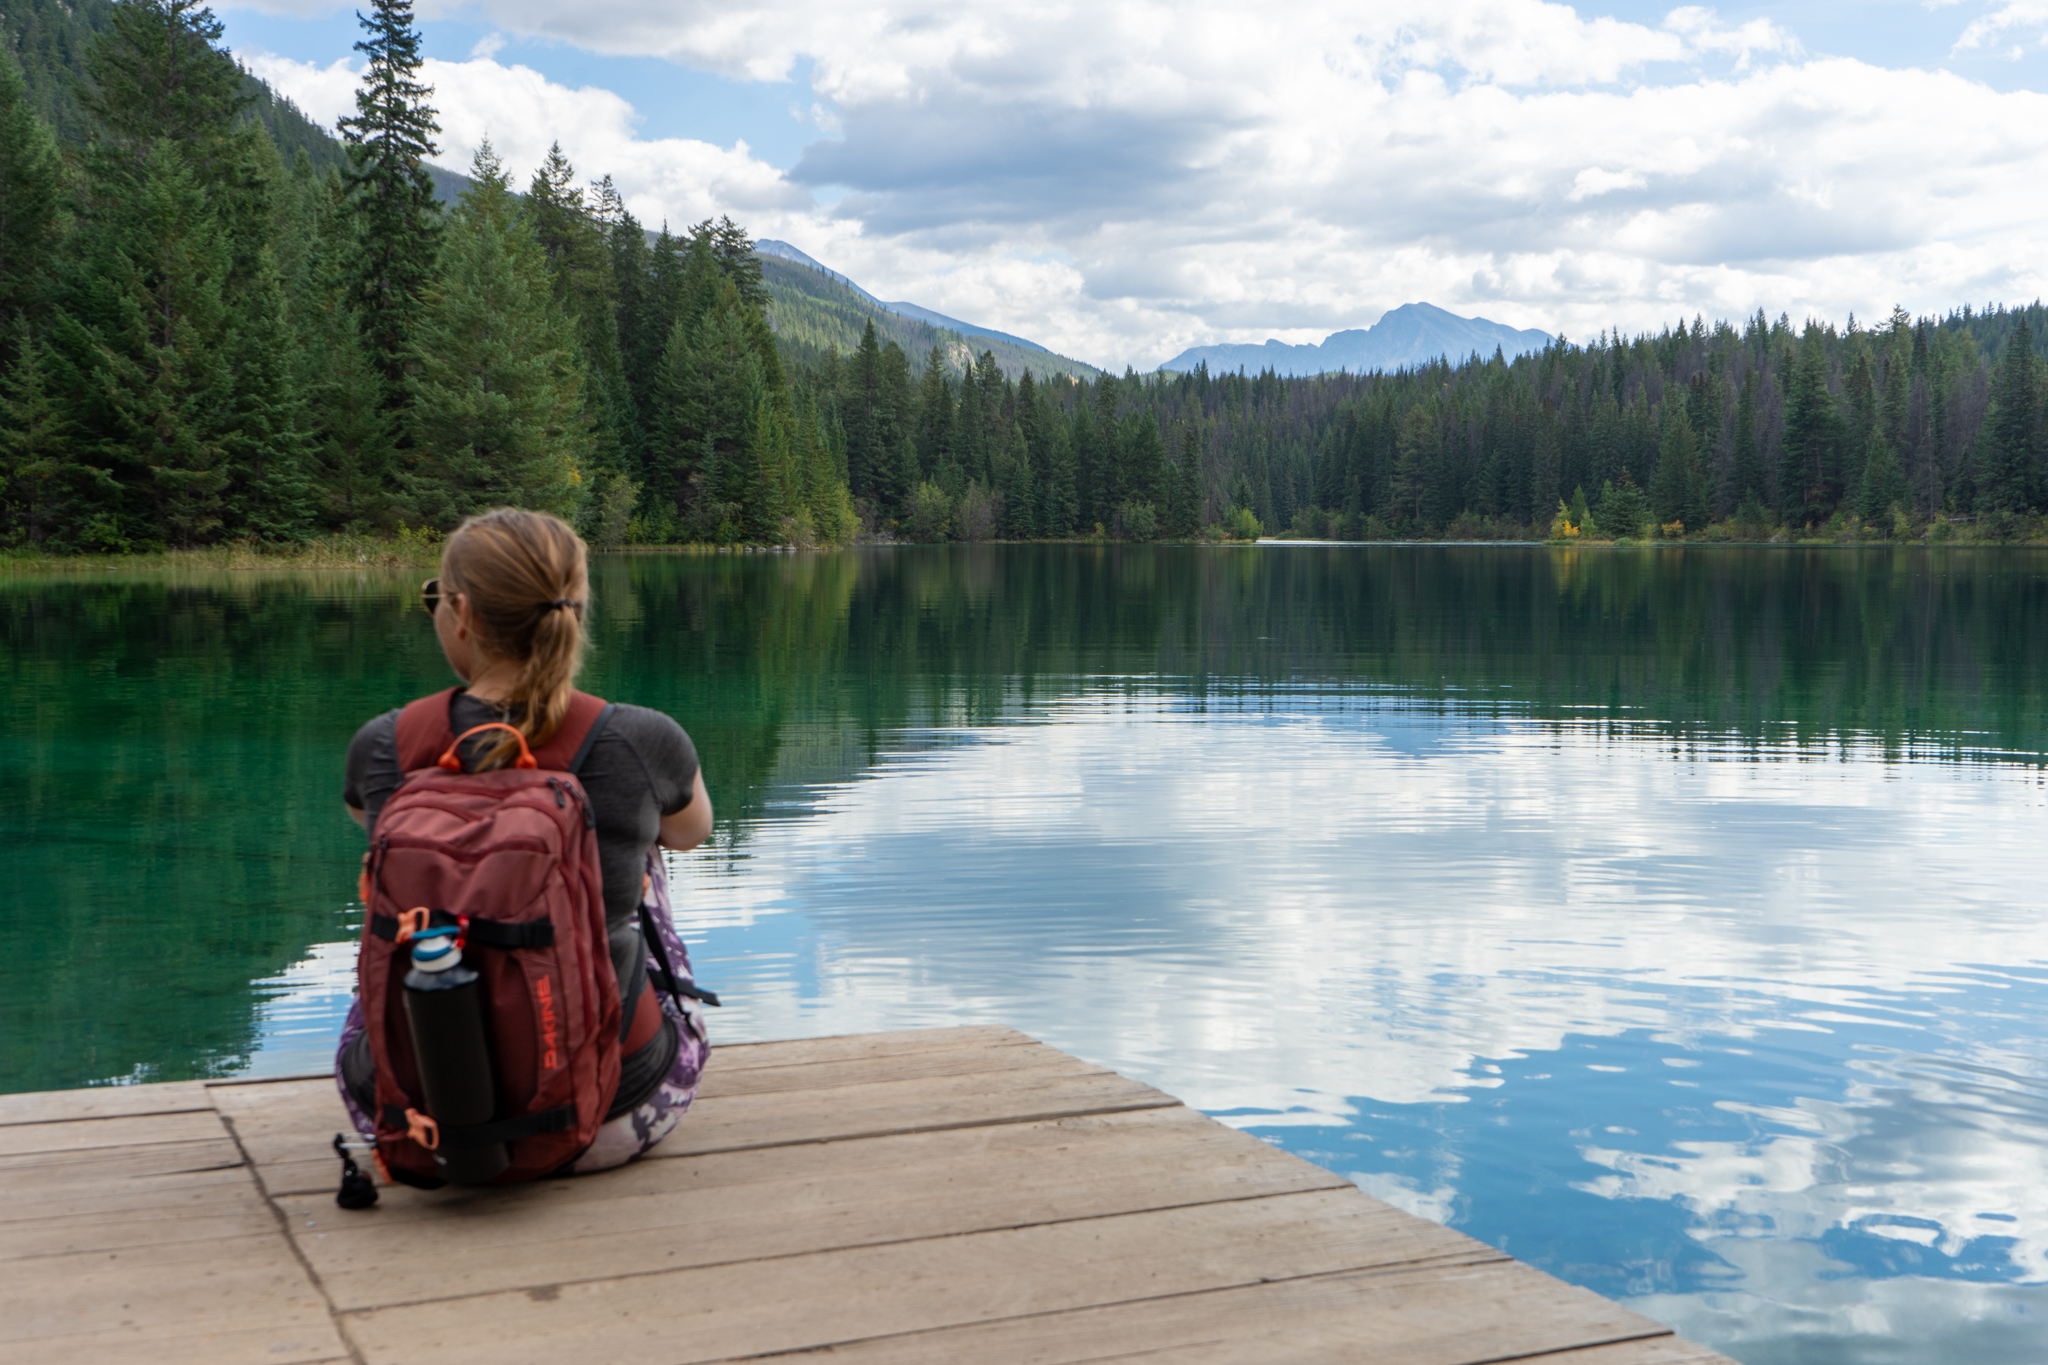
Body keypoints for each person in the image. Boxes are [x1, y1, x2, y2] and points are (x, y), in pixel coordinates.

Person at [334, 507, 712, 1173]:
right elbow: (694, 832)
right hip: (614, 1114)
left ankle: (434, 1069)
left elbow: (364, 823)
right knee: (645, 852)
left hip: (407, 1119)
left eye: (434, 600)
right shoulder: (643, 738)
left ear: (463, 613)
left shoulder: (385, 743)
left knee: (402, 897)